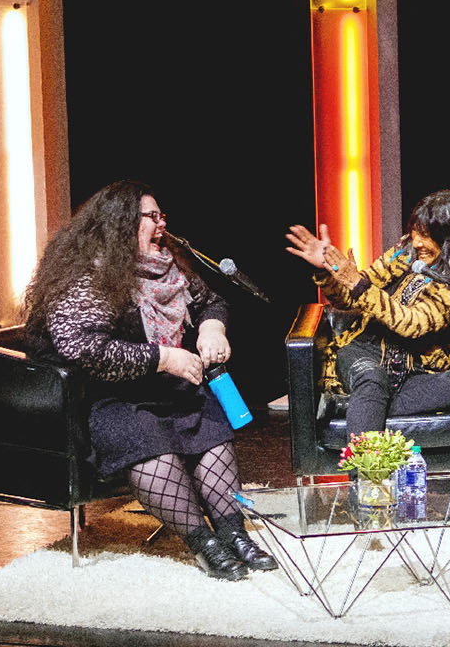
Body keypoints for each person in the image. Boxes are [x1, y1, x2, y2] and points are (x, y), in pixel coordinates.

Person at [23, 179, 275, 581]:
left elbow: (211, 301)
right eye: (151, 217)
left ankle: (234, 534)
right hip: (112, 396)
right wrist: (163, 357)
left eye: (162, 216)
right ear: (121, 224)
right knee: (143, 437)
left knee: (210, 427)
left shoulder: (169, 266)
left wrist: (212, 330)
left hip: (167, 387)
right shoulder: (92, 276)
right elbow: (82, 348)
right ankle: (204, 544)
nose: (162, 224)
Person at [285, 190, 450, 438]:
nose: (416, 242)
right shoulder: (403, 254)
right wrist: (329, 271)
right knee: (372, 379)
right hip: (364, 352)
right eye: (415, 231)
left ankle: (352, 407)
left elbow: (413, 323)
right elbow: (350, 298)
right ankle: (367, 473)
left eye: (426, 235)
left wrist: (358, 285)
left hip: (416, 371)